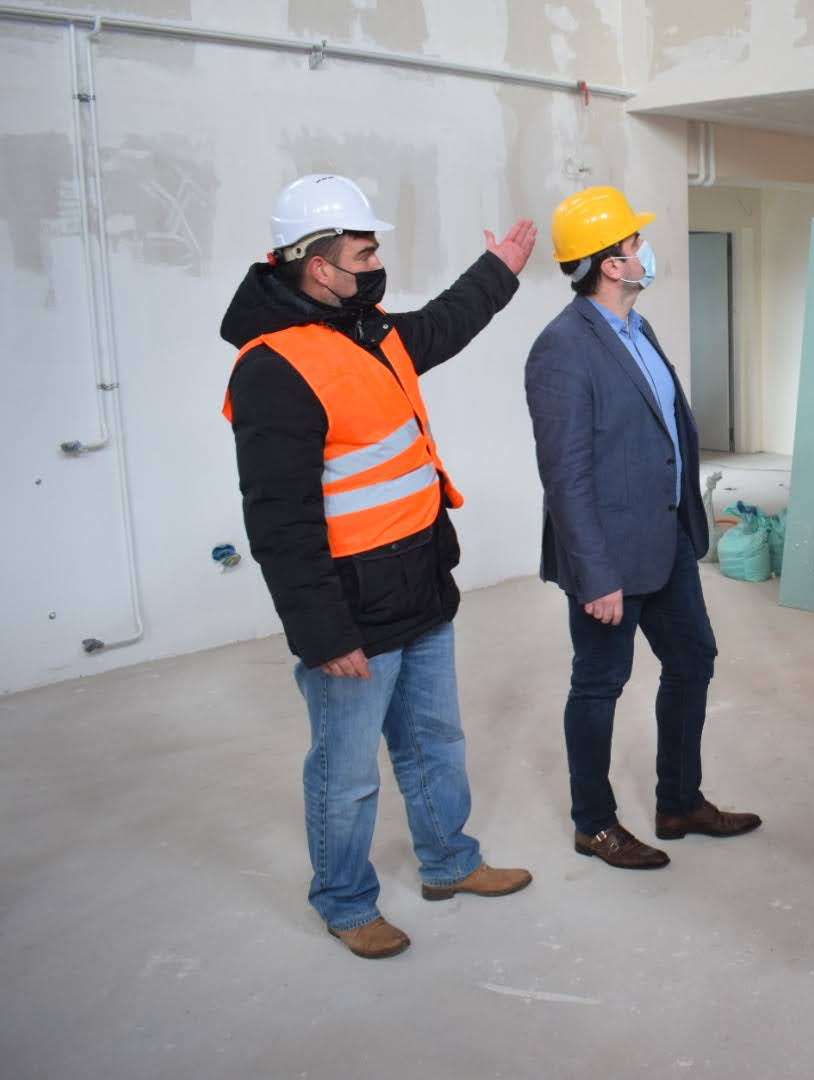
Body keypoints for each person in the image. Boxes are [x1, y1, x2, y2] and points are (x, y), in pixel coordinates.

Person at [221, 173, 536, 959]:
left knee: (435, 741)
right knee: (347, 771)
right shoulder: (274, 368)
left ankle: (449, 862)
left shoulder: (370, 331)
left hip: (420, 580)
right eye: (364, 254)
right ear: (318, 266)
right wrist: (323, 633)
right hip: (352, 608)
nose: (376, 265)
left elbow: (446, 322)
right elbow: (279, 518)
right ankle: (345, 901)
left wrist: (497, 270)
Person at [525, 185, 761, 872]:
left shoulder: (637, 329)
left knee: (692, 660)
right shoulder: (563, 348)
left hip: (666, 539)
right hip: (609, 557)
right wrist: (594, 574)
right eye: (635, 244)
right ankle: (594, 824)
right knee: (599, 684)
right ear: (610, 263)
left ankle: (679, 802)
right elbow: (565, 476)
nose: (644, 252)